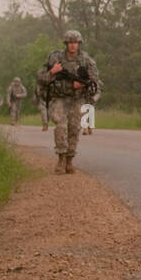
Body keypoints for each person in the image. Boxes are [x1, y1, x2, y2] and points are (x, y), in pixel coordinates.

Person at [35, 29, 102, 174]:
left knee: (74, 128)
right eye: (70, 42)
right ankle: (61, 158)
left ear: (79, 44)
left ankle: (69, 160)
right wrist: (52, 72)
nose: (72, 45)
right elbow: (40, 78)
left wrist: (82, 84)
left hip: (77, 99)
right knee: (61, 126)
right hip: (59, 98)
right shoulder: (55, 58)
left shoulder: (86, 60)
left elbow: (95, 81)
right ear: (66, 44)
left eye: (75, 43)